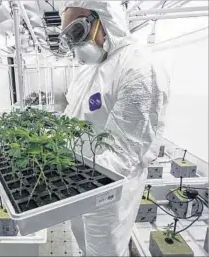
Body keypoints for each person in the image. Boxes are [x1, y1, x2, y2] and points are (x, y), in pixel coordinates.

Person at [59, 1, 170, 256]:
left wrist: (71, 178)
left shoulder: (139, 68)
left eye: (77, 31)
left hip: (108, 193)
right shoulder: (89, 71)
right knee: (83, 241)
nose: (75, 43)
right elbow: (70, 118)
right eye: (69, 36)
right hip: (79, 183)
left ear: (104, 19)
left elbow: (125, 151)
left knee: (104, 249)